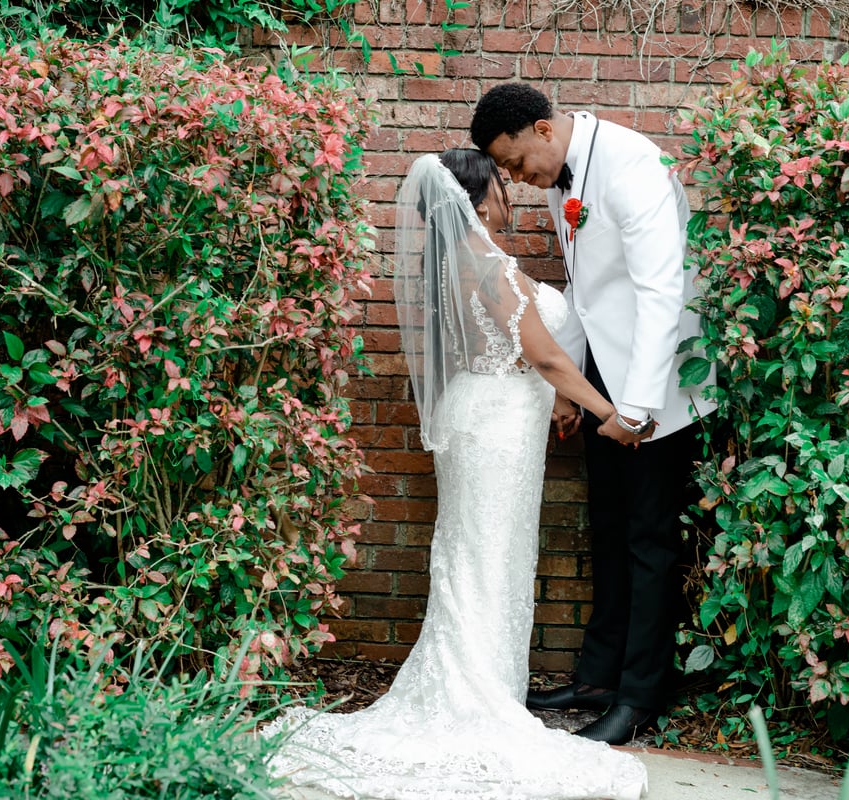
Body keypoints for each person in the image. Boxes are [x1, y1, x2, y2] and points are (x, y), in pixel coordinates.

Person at [262, 149, 649, 799]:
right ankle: (473, 697)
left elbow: (526, 354)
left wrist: (557, 397)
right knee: (482, 561)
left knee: (482, 559)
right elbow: (545, 355)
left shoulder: (465, 258)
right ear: (479, 194)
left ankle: (485, 686)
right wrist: (609, 411)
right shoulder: (482, 261)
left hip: (495, 418)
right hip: (493, 429)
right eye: (502, 182)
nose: (510, 193)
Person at [470, 83, 717, 746]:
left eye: (518, 162)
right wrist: (569, 390)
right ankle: (598, 676)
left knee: (648, 540)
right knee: (606, 526)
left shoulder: (632, 168)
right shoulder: (561, 180)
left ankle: (638, 698)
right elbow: (586, 289)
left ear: (544, 131)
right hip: (604, 377)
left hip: (658, 382)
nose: (520, 179)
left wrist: (635, 408)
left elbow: (662, 290)